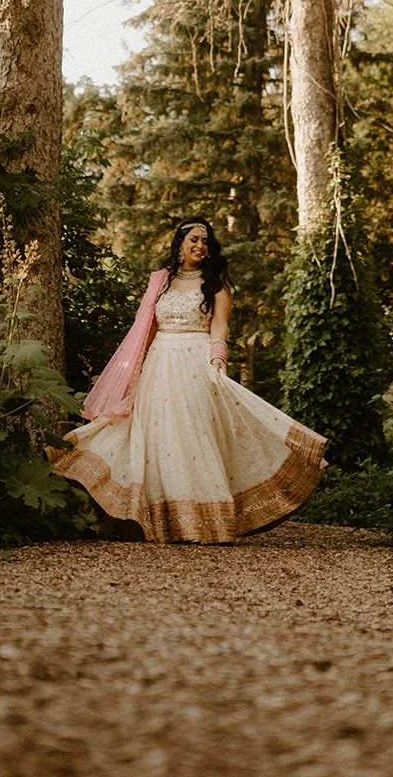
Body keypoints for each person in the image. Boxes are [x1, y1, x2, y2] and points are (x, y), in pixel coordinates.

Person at [48, 217, 327, 543]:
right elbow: (145, 331)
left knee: (193, 434)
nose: (200, 246)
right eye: (194, 239)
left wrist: (218, 359)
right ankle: (161, 519)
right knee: (156, 437)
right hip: (160, 363)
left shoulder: (216, 285)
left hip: (196, 361)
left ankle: (202, 521)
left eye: (205, 242)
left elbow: (219, 327)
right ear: (179, 243)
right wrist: (131, 373)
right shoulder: (160, 281)